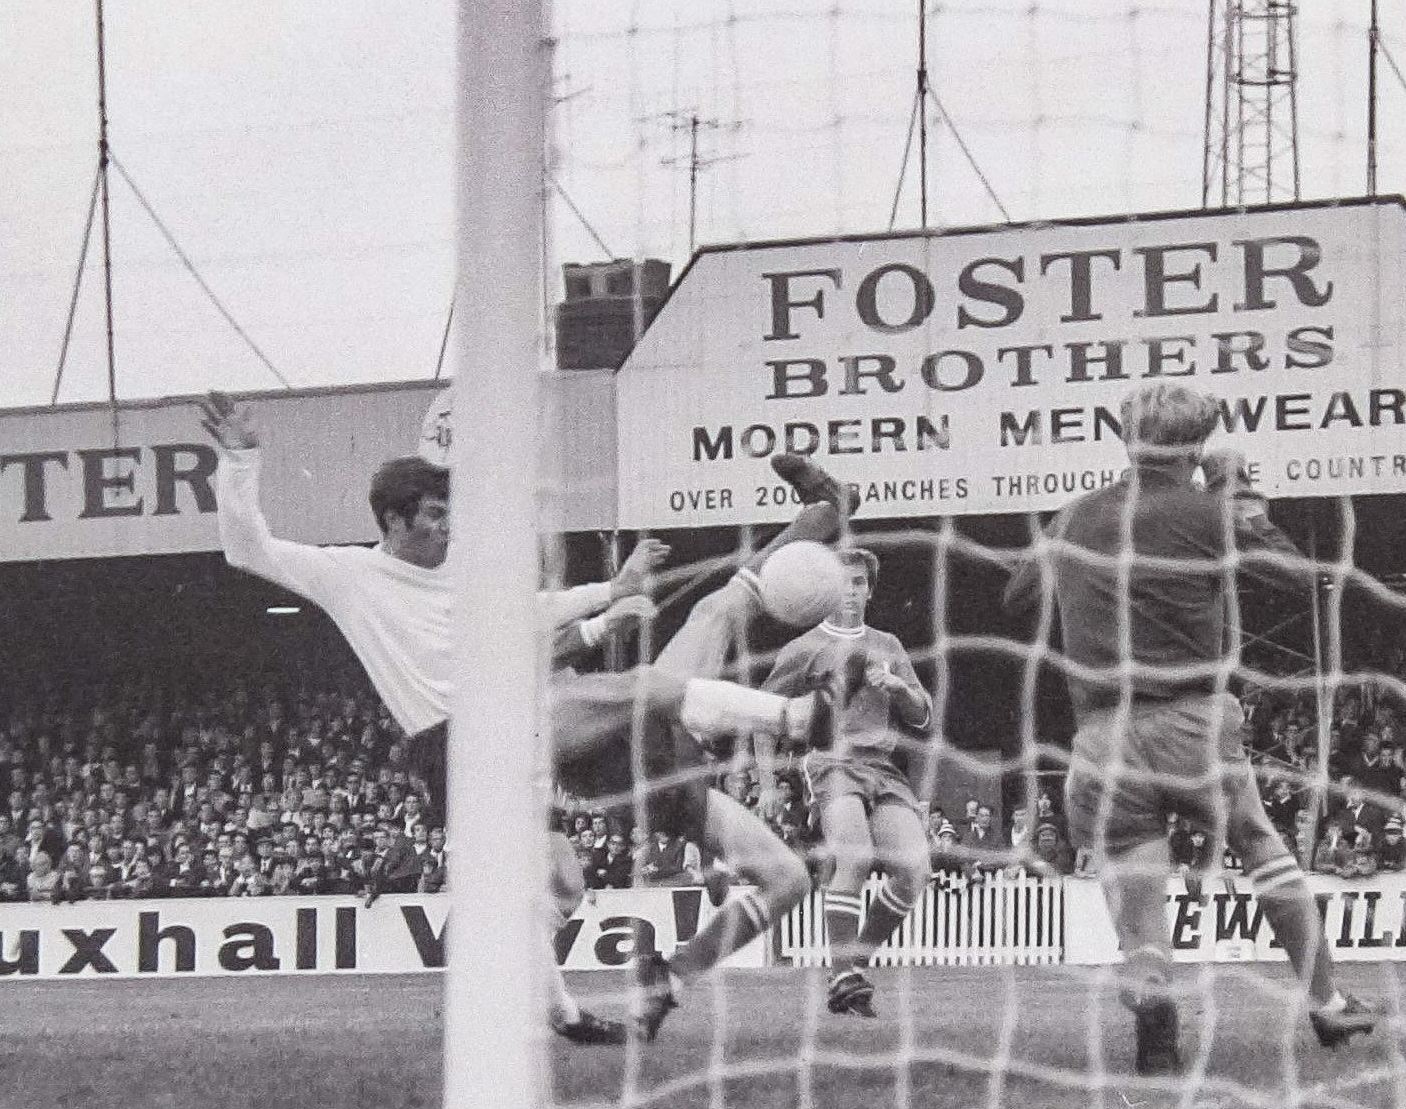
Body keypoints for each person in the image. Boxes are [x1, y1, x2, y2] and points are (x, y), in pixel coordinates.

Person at [196, 391, 841, 1044]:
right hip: (471, 736)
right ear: (393, 520)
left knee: (576, 882)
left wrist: (607, 596)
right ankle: (793, 716)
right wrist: (240, 460)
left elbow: (531, 612)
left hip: (545, 737)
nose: (448, 527)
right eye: (435, 515)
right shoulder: (350, 574)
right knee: (666, 668)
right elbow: (249, 550)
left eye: (451, 512)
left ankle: (607, 999)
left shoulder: (467, 573)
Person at [1004, 380, 1380, 1076]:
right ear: (1197, 446)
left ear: (1125, 441)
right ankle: (1327, 1001)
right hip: (1192, 722)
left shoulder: (1074, 515)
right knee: (1257, 843)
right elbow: (1297, 578)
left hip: (1102, 735)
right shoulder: (1209, 513)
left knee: (1137, 888)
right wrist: (1239, 496)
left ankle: (1154, 1018)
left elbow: (1017, 593)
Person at [762, 546, 937, 1017]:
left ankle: (851, 966)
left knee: (915, 870)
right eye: (841, 582)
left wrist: (900, 689)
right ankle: (843, 974)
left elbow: (922, 715)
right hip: (831, 762)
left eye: (859, 582)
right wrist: (766, 783)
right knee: (855, 855)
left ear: (870, 590)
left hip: (882, 766)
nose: (850, 591)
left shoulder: (889, 645)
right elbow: (765, 715)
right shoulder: (803, 649)